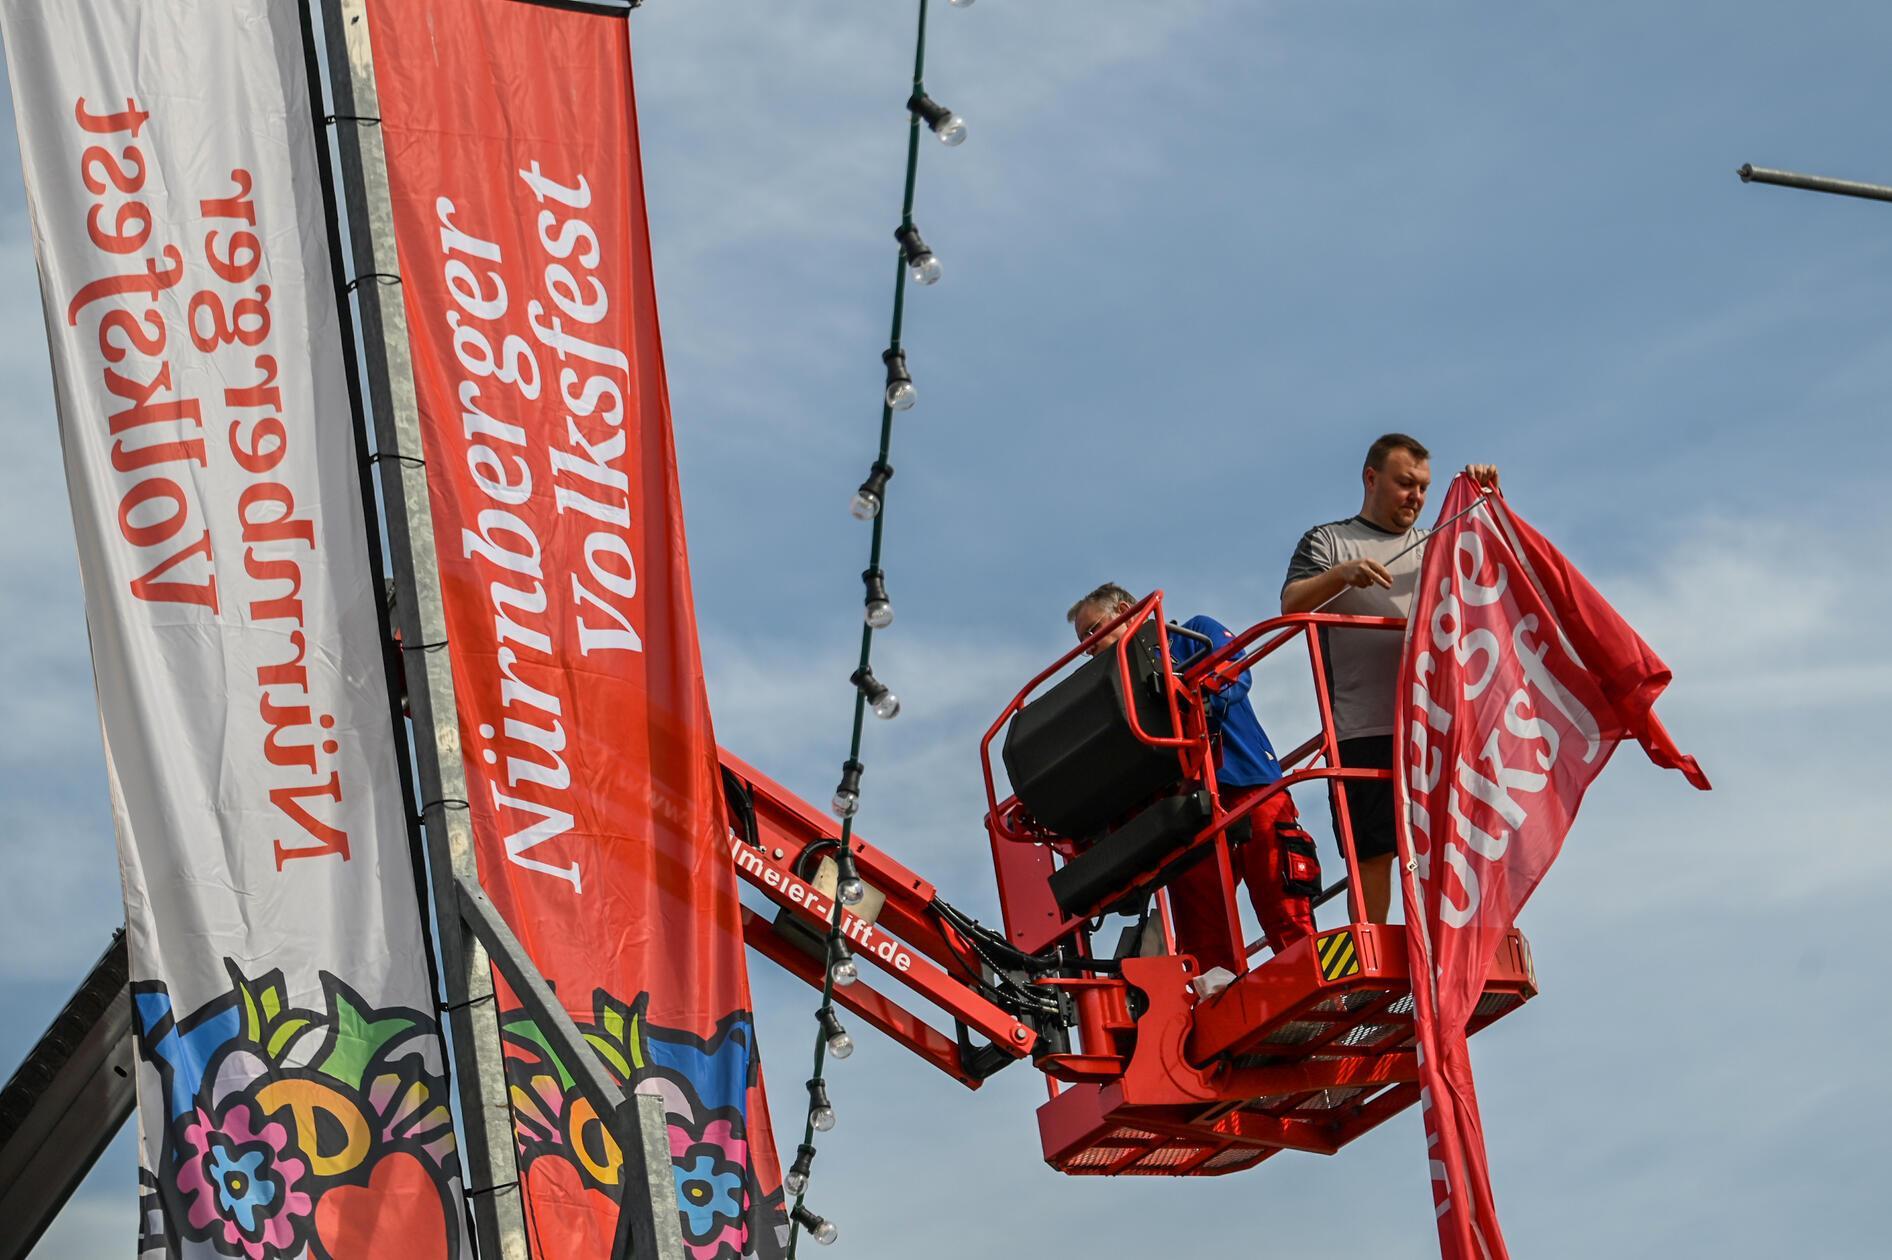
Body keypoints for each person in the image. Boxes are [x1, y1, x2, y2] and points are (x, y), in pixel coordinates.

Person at [1279, 434, 1498, 922]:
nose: (1416, 497)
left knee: (1445, 845)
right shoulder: (1328, 541)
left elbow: (1488, 583)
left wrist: (1485, 500)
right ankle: (1374, 948)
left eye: (1422, 487)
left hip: (1432, 723)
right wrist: (1343, 575)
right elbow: (1291, 605)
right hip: (1361, 724)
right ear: (1371, 479)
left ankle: (1444, 942)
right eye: (1405, 484)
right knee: (1373, 851)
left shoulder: (1433, 546)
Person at [1066, 583, 1314, 976]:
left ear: (1128, 611)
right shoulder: (1108, 696)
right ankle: (1223, 1012)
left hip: (1248, 785)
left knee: (1282, 903)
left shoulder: (1191, 636)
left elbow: (1232, 672)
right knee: (1204, 939)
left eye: (1094, 631)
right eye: (1083, 641)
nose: (1089, 646)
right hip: (1186, 813)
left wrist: (1187, 700)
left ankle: (1311, 984)